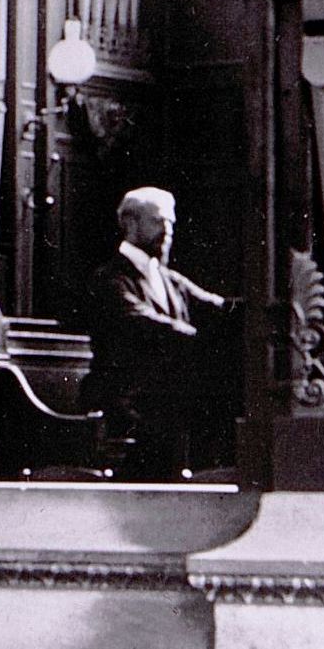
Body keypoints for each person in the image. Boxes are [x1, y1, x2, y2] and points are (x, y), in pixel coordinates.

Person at [87, 186, 234, 479]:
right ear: (130, 223)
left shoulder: (168, 278)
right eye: (158, 221)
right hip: (128, 401)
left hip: (166, 399)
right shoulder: (110, 278)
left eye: (171, 222)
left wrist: (260, 312)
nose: (167, 230)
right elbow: (141, 320)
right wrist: (196, 337)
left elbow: (217, 307)